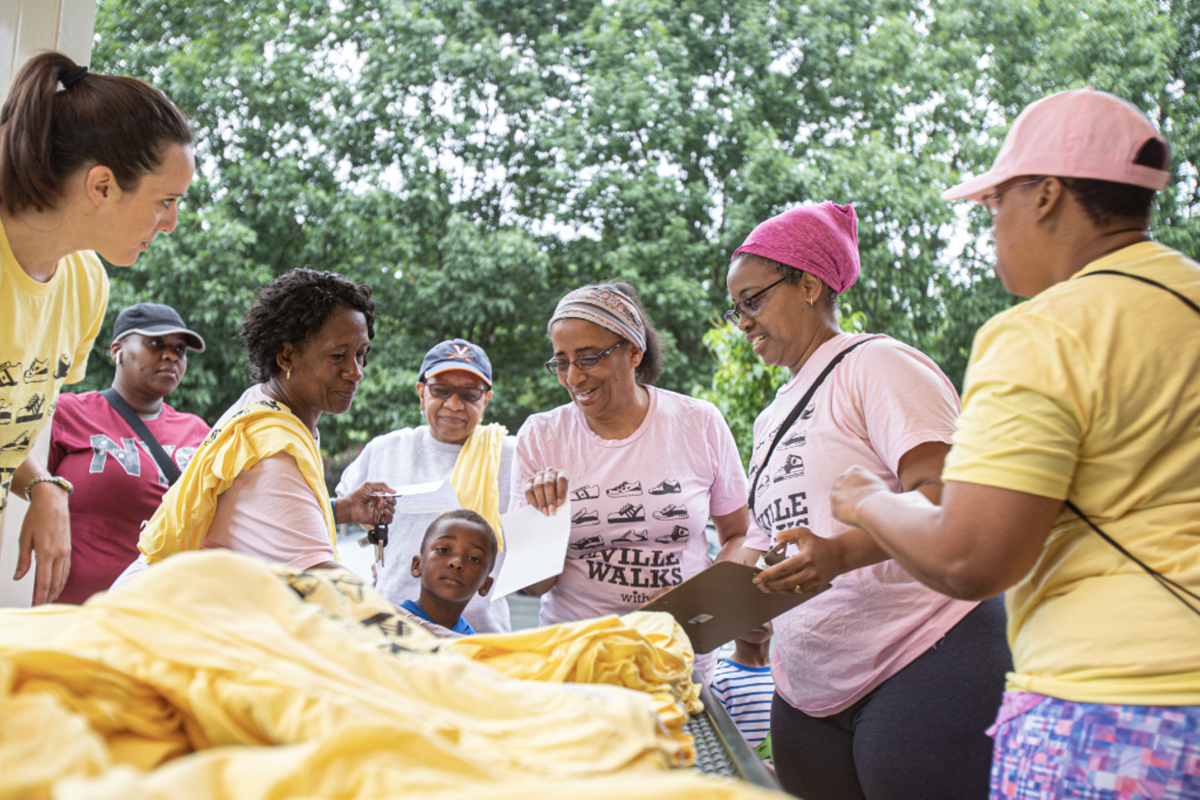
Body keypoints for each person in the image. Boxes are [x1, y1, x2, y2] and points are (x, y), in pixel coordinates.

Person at [830, 88, 1200, 798]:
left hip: (1116, 710)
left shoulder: (1046, 330)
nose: (991, 225)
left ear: (1047, 196)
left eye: (995, 203)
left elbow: (969, 555)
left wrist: (869, 501)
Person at [726, 202, 1010, 800]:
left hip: (922, 654)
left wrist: (840, 554)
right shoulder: (770, 416)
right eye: (736, 309)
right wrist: (706, 608)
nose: (743, 322)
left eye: (752, 301)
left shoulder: (876, 364)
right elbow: (760, 537)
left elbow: (944, 497)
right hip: (808, 686)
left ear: (807, 284)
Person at [0, 51, 193, 603]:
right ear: (102, 186)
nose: (172, 223)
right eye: (165, 201)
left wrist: (42, 484)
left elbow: (12, 427)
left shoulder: (86, 283)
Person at [513, 281, 750, 680]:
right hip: (577, 661)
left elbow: (739, 537)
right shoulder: (541, 436)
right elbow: (535, 585)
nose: (573, 376)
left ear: (634, 352)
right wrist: (541, 521)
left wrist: (696, 602)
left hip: (677, 657)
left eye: (589, 358)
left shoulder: (698, 422)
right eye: (562, 361)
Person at [118, 269, 395, 579]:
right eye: (338, 355)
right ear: (286, 356)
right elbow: (324, 586)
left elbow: (257, 516)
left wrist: (343, 509)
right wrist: (431, 629)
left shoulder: (261, 403)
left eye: (361, 354)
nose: (356, 371)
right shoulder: (274, 448)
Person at [335, 338, 514, 632]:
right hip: (392, 628)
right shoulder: (386, 450)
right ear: (421, 393)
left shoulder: (513, 456)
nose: (454, 404)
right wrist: (388, 554)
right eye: (441, 390)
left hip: (480, 638)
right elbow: (349, 510)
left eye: (469, 394)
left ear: (486, 400)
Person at [48, 303, 209, 603]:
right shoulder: (67, 414)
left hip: (162, 618)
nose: (172, 355)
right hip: (71, 617)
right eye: (155, 343)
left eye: (180, 349)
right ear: (116, 350)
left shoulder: (198, 432)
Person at [403, 509, 498, 636]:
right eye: (443, 550)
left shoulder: (474, 648)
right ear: (416, 565)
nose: (456, 563)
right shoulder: (381, 625)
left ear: (486, 585)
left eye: (473, 558)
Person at [710, 621, 774, 754]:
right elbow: (718, 742)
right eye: (748, 612)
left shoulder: (786, 675)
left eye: (765, 611)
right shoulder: (719, 679)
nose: (757, 618)